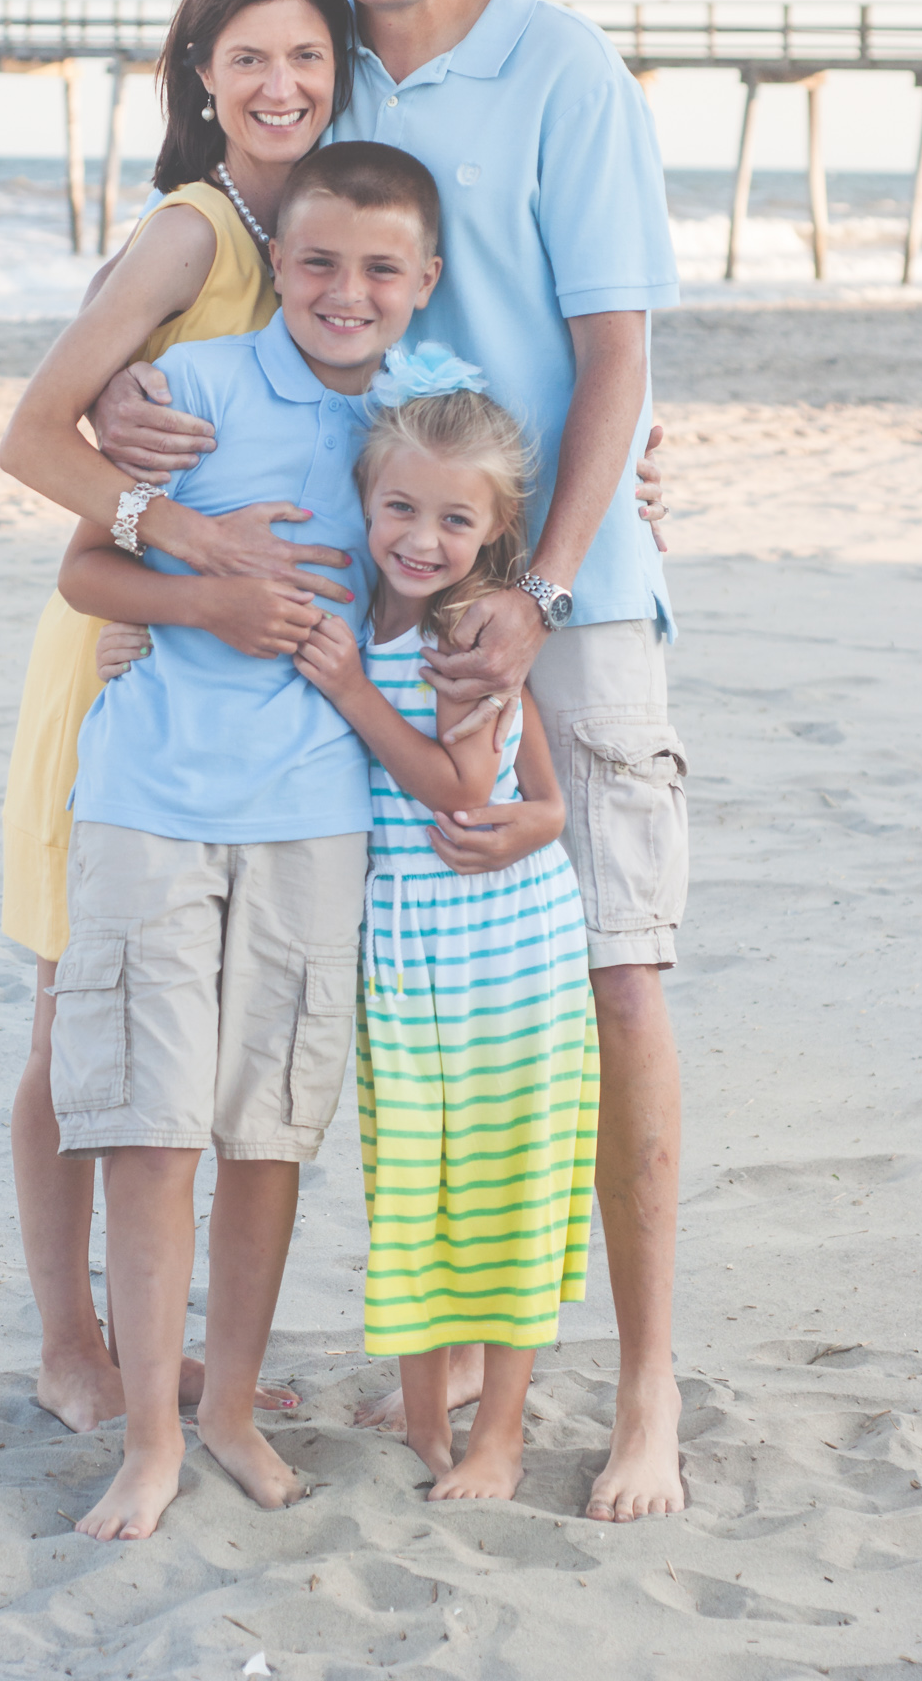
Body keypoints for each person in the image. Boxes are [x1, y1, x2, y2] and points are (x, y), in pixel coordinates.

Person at [92, 0, 688, 1523]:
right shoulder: (327, 65)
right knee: (404, 993)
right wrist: (142, 394)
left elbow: (616, 353)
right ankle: (429, 1376)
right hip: (385, 576)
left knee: (624, 969)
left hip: (562, 575)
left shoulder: (563, 69)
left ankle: (642, 1391)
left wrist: (547, 579)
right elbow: (260, 252)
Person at [41, 142, 448, 1541]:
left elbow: (483, 538)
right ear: (280, 263)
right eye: (320, 261)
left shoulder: (419, 427)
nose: (346, 291)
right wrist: (208, 591)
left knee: (267, 1127)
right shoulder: (192, 394)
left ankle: (229, 1407)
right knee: (151, 1132)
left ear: (422, 286)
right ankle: (152, 1434)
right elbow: (86, 570)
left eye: (379, 270)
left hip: (315, 817)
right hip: (151, 801)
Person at [0, 0, 359, 1431]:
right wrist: (178, 532)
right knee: (74, 1006)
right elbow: (31, 436)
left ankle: (184, 1354)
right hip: (126, 651)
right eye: (248, 58)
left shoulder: (330, 233)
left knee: (194, 1025)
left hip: (250, 685)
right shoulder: (193, 233)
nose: (279, 84)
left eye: (306, 58)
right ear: (201, 79)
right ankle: (69, 1344)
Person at [290, 350, 597, 1500]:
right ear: (364, 498)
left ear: (497, 526)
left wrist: (358, 696)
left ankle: (500, 1434)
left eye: (452, 518)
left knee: (508, 1187)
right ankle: (426, 1422)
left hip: (509, 956)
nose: (420, 536)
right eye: (400, 507)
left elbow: (465, 789)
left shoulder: (466, 634)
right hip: (408, 958)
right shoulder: (358, 611)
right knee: (410, 1186)